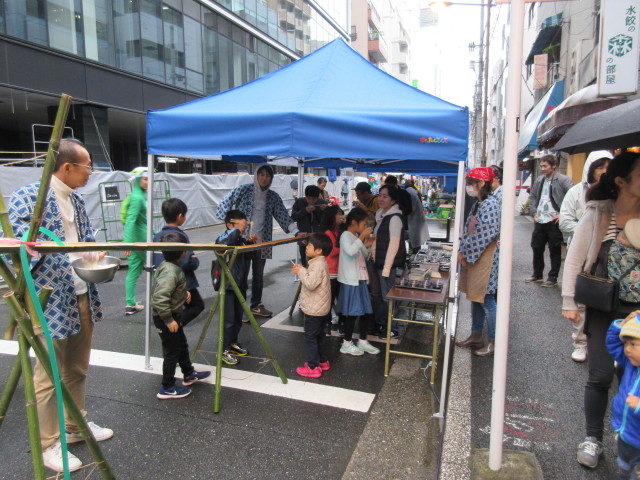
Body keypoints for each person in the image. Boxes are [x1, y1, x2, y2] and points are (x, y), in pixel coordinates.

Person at [7, 138, 113, 473]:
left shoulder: (77, 201)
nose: (90, 174)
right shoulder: (29, 197)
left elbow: (87, 239)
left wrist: (92, 250)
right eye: (87, 167)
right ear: (67, 167)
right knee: (48, 374)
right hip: (47, 296)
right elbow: (20, 247)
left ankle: (74, 425)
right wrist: (62, 248)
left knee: (77, 367)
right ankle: (49, 443)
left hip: (81, 291)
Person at [561, 152, 640, 468]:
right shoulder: (598, 213)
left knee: (632, 378)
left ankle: (628, 438)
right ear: (622, 181)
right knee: (601, 374)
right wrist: (569, 302)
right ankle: (593, 437)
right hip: (605, 309)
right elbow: (575, 258)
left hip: (638, 313)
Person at [215, 164, 299, 318]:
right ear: (256, 175)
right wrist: (230, 226)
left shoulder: (273, 196)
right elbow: (224, 204)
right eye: (261, 174)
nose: (264, 178)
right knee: (240, 275)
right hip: (242, 243)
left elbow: (283, 215)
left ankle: (255, 305)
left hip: (262, 242)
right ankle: (238, 308)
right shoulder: (243, 190)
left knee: (259, 275)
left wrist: (296, 232)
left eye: (268, 175)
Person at [559, 151, 612, 363]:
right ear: (590, 169)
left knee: (606, 302)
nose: (604, 172)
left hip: (608, 261)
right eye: (600, 167)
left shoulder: (616, 197)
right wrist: (587, 229)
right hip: (582, 254)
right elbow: (564, 222)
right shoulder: (575, 192)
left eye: (609, 167)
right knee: (582, 302)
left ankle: (608, 345)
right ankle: (580, 343)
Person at [153, 233, 211, 399]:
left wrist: (181, 293)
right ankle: (167, 387)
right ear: (183, 253)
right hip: (165, 318)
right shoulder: (171, 271)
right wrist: (168, 320)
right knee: (172, 352)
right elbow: (159, 298)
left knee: (181, 344)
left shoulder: (167, 266)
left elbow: (166, 289)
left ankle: (188, 374)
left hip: (171, 315)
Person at [455, 167, 501, 357]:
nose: (468, 188)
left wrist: (464, 252)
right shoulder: (479, 204)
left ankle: (493, 341)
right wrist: (463, 251)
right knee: (476, 296)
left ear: (482, 184)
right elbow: (469, 231)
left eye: (470, 184)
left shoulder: (490, 205)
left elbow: (484, 235)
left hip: (486, 257)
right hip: (477, 256)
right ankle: (475, 335)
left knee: (487, 299)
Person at [152, 198, 204, 327]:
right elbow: (187, 261)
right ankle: (176, 325)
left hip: (162, 280)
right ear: (180, 216)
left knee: (170, 304)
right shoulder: (180, 236)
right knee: (197, 305)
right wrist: (195, 260)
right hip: (183, 281)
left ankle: (172, 324)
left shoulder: (157, 236)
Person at [215, 210, 257, 365]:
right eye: (240, 224)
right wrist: (236, 230)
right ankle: (223, 349)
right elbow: (220, 244)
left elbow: (250, 257)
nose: (243, 228)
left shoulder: (241, 239)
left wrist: (251, 243)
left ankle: (232, 343)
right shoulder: (226, 237)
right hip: (228, 285)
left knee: (238, 318)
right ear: (229, 225)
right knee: (228, 320)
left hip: (241, 284)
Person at [526, 154, 574, 287]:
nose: (542, 168)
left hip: (554, 220)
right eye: (541, 166)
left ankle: (552, 277)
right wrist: (534, 212)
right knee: (536, 247)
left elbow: (572, 197)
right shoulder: (540, 180)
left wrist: (563, 214)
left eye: (545, 166)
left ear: (554, 166)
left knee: (554, 249)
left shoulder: (564, 180)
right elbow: (533, 196)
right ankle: (537, 274)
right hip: (540, 219)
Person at [337, 207, 378, 355]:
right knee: (353, 313)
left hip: (360, 279)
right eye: (364, 224)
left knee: (366, 312)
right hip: (351, 280)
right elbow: (350, 251)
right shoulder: (346, 236)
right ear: (354, 222)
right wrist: (362, 239)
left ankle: (362, 341)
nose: (365, 227)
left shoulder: (354, 236)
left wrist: (367, 244)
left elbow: (362, 254)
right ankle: (346, 344)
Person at [291, 232, 333, 378]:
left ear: (318, 250)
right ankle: (322, 361)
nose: (306, 247)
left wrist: (301, 270)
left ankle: (313, 366)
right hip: (321, 309)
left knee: (310, 337)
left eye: (309, 245)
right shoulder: (320, 263)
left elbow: (310, 283)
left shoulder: (317, 265)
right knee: (319, 335)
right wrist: (303, 270)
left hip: (314, 309)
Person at [606, 309, 640, 480]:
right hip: (625, 433)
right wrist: (621, 326)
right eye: (626, 343)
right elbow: (613, 345)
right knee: (624, 466)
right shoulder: (631, 365)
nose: (627, 349)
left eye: (633, 345)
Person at [370, 185, 407, 339]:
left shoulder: (395, 218)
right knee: (378, 297)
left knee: (388, 298)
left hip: (389, 266)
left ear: (393, 200)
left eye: (385, 196)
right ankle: (382, 324)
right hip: (378, 263)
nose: (381, 199)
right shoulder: (381, 216)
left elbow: (393, 245)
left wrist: (386, 268)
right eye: (379, 195)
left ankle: (393, 328)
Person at [123, 169, 149, 315]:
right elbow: (130, 220)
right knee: (157, 269)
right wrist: (127, 243)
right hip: (141, 242)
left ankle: (130, 304)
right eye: (145, 179)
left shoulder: (138, 195)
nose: (148, 182)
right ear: (138, 180)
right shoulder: (138, 197)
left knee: (133, 271)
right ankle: (162, 301)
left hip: (136, 240)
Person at [320, 205, 345, 336]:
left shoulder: (339, 230)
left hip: (340, 271)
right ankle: (327, 324)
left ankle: (340, 323)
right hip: (331, 272)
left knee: (340, 299)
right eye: (338, 214)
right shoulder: (328, 233)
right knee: (329, 300)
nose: (341, 216)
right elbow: (331, 251)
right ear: (332, 217)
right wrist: (346, 249)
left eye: (341, 213)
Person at [291, 185, 324, 266]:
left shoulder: (321, 203)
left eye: (314, 199)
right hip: (303, 239)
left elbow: (326, 219)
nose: (312, 201)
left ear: (318, 197)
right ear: (306, 197)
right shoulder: (299, 202)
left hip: (318, 239)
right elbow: (293, 217)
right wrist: (304, 210)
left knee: (318, 263)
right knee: (305, 262)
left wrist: (324, 210)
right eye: (309, 198)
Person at [404, 179, 429, 253]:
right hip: (415, 220)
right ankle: (415, 253)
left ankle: (414, 254)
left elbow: (410, 209)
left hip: (412, 220)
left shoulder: (409, 192)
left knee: (414, 239)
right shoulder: (415, 191)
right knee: (415, 239)